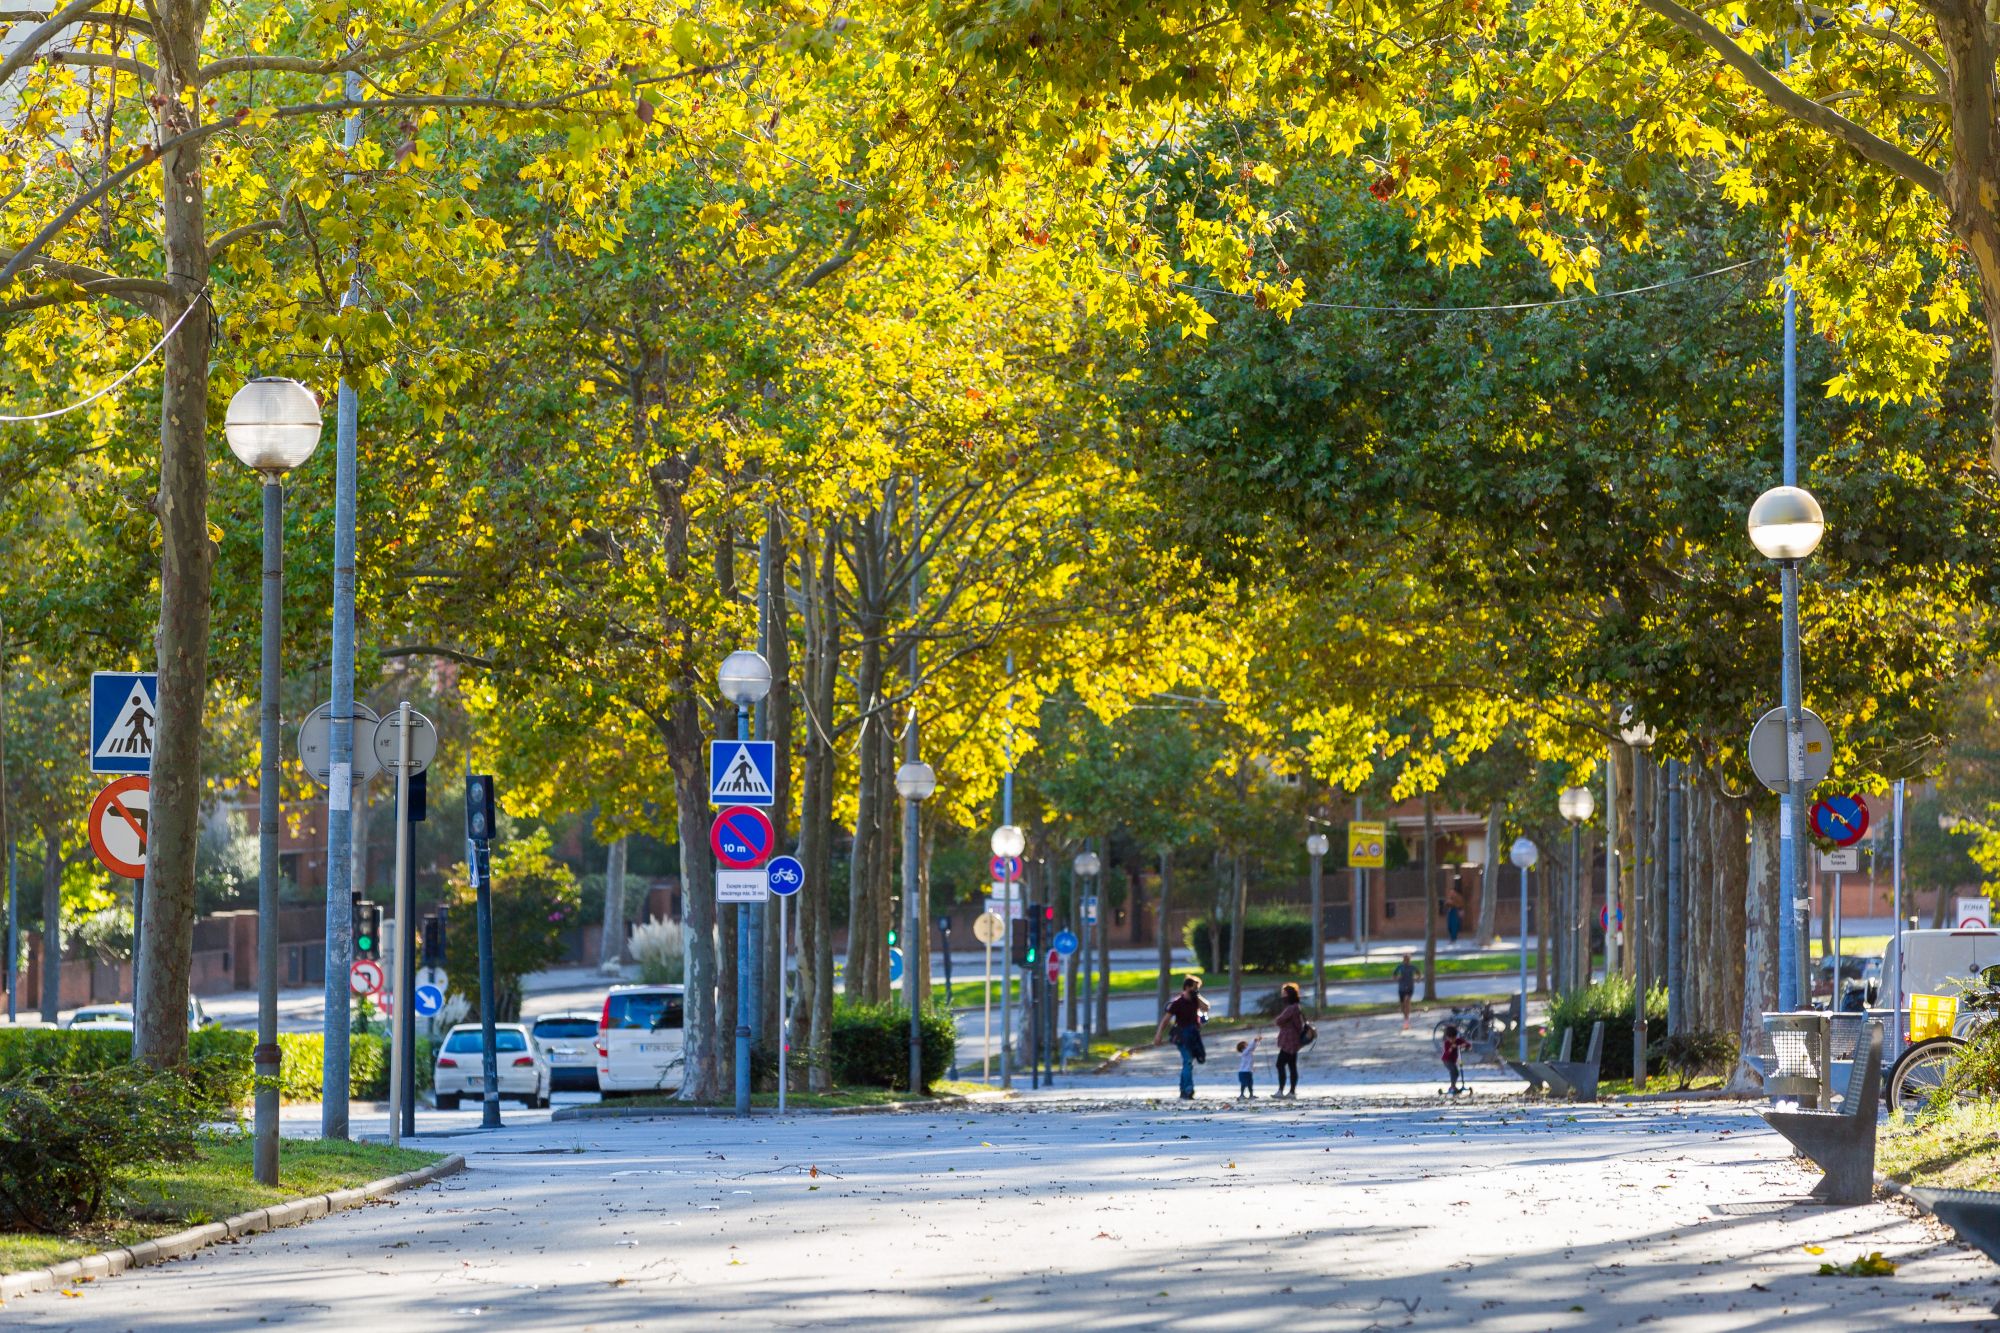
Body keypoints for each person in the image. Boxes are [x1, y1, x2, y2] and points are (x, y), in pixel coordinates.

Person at [1153, 975, 1210, 1099]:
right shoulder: (1177, 1003)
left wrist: (1197, 996)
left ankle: (1183, 1089)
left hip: (1193, 1035)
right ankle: (1188, 1090)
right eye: (1194, 988)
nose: (1196, 991)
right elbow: (1165, 1020)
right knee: (1188, 1061)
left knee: (1188, 1062)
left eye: (1197, 989)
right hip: (1181, 1036)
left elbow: (1206, 1008)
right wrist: (1159, 1035)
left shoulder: (1195, 1000)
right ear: (1187, 987)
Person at [1273, 982, 1305, 1098]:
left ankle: (1281, 1090)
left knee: (1280, 1064)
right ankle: (1291, 1091)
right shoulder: (1296, 1007)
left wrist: (1282, 1023)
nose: (1282, 995)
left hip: (1289, 1041)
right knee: (1292, 1066)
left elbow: (1279, 1020)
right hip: (1293, 1040)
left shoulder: (1292, 1008)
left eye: (1284, 993)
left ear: (1289, 995)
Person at [1441, 1022, 1470, 1096]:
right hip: (1447, 1060)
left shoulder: (1458, 1040)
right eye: (1450, 1038)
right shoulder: (1447, 1043)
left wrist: (1464, 1045)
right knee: (1453, 1071)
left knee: (1456, 1073)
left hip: (1454, 1060)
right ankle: (1452, 1086)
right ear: (1447, 1037)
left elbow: (1468, 1045)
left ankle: (1453, 1086)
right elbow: (1447, 1053)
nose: (1452, 1040)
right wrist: (1451, 1048)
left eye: (1453, 1038)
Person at [1393, 953, 1418, 1030]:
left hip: (1410, 987)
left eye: (1408, 959)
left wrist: (1416, 978)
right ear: (1403, 960)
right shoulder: (1400, 967)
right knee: (1402, 1005)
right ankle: (1405, 1017)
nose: (1406, 961)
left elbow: (1419, 974)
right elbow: (1394, 975)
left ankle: (1406, 1019)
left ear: (1410, 960)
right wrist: (1398, 978)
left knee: (1407, 1000)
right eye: (1405, 959)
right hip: (1401, 988)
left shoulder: (1412, 967)